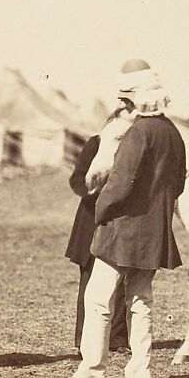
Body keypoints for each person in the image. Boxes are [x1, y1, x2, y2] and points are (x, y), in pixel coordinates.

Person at [57, 59, 186, 378]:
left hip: (123, 230)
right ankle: (140, 371)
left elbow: (119, 183)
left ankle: (91, 371)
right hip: (155, 231)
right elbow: (178, 184)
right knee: (141, 301)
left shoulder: (138, 132)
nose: (124, 105)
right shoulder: (173, 133)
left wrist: (101, 210)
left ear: (137, 99)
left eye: (127, 99)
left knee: (98, 298)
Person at [64, 114, 130, 355]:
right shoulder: (95, 143)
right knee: (89, 281)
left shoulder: (133, 148)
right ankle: (84, 340)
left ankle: (117, 338)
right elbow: (77, 179)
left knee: (121, 282)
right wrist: (94, 193)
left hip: (120, 220)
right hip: (91, 221)